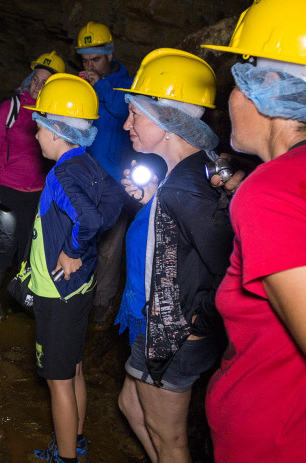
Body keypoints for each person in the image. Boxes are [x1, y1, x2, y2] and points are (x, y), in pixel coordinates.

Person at [201, 0, 306, 460]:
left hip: (288, 445)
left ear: (267, 83)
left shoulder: (275, 192)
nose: (228, 98)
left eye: (237, 80)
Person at [112, 48, 233, 462]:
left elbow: (229, 265)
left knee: (170, 441)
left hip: (172, 335)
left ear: (166, 122)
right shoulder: (193, 170)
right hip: (162, 327)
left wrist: (195, 319)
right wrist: (152, 201)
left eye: (135, 114)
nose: (126, 124)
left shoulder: (185, 189)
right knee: (130, 405)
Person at [25, 73, 128, 463]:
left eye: (39, 127)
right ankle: (76, 442)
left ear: (56, 130)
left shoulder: (62, 173)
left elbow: (87, 219)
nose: (35, 136)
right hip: (80, 288)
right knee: (74, 369)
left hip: (58, 291)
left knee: (58, 381)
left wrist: (72, 249)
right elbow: (116, 198)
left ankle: (66, 458)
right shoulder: (87, 162)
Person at [0, 51, 65, 321]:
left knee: (29, 249)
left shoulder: (55, 115)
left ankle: (22, 296)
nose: (38, 85)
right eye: (36, 79)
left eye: (46, 82)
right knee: (5, 244)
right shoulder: (11, 109)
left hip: (38, 194)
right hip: (7, 190)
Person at [75, 21, 137, 329]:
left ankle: (101, 304)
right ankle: (77, 296)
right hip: (86, 177)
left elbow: (125, 112)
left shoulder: (127, 83)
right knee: (82, 238)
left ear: (109, 54)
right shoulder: (85, 82)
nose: (89, 66)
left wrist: (98, 84)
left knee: (110, 248)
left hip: (116, 181)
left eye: (95, 59)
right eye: (85, 60)